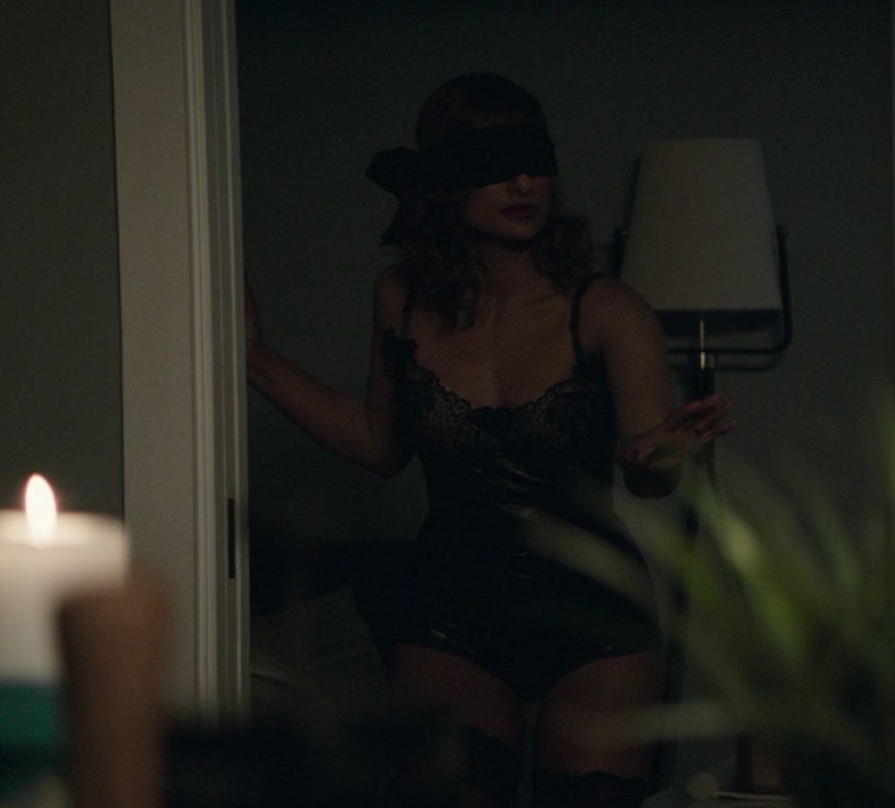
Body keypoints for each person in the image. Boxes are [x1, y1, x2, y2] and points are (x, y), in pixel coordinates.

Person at [245, 72, 736, 808]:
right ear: (445, 180)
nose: (523, 181)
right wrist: (255, 360)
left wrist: (660, 459)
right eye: (496, 164)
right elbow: (380, 446)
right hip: (451, 607)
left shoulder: (608, 309)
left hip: (592, 609)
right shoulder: (399, 298)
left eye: (535, 160)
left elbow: (648, 473)